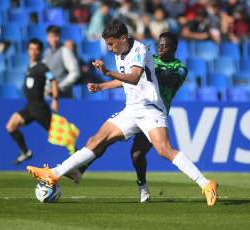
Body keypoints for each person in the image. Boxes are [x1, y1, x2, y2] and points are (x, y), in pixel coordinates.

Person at [27, 19, 218, 206]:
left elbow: (134, 78)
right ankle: (54, 173)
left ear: (123, 38)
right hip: (131, 110)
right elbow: (126, 79)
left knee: (163, 150)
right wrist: (102, 86)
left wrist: (108, 72)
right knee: (95, 141)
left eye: (111, 44)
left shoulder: (141, 50)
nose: (110, 49)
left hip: (151, 109)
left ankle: (206, 184)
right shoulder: (121, 52)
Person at [63, 31, 189, 203]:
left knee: (137, 154)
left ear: (174, 47)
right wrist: (103, 86)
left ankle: (142, 186)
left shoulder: (179, 68)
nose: (160, 48)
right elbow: (129, 78)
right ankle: (80, 170)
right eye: (158, 44)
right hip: (137, 109)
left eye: (164, 45)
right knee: (104, 139)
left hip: (154, 114)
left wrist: (144, 65)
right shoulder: (149, 58)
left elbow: (168, 79)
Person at [6, 39, 59, 165]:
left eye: (36, 49)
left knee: (57, 136)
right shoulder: (31, 67)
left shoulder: (42, 67)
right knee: (11, 126)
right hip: (30, 107)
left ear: (40, 51)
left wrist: (55, 99)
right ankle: (25, 152)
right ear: (28, 50)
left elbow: (54, 81)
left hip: (40, 108)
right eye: (31, 49)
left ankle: (78, 155)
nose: (33, 52)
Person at [43, 25, 80, 98]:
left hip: (63, 97)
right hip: (49, 97)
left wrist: (59, 87)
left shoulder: (65, 51)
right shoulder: (46, 53)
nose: (54, 39)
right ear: (47, 38)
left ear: (60, 37)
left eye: (56, 36)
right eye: (51, 37)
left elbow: (75, 73)